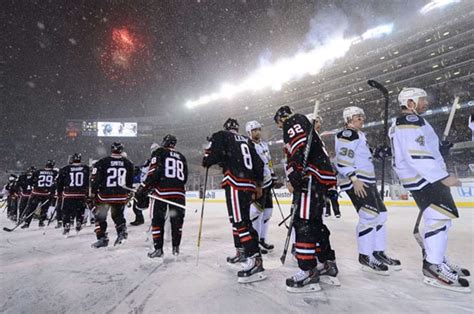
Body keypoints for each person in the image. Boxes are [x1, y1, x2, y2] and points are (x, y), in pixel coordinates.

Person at [390, 88, 470, 292]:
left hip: (423, 175)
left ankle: (438, 258)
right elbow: (415, 155)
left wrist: (438, 149)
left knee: (440, 219)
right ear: (410, 103)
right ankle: (433, 266)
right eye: (421, 100)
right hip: (423, 177)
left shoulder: (409, 121)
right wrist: (442, 176)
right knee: (438, 219)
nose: (426, 103)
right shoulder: (409, 121)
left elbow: (423, 148)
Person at [274, 106, 339, 292]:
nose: (281, 128)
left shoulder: (292, 122)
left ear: (281, 120)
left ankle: (308, 270)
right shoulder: (306, 125)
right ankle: (327, 262)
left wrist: (294, 172)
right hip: (321, 177)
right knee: (316, 223)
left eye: (279, 125)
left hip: (310, 177)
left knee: (303, 222)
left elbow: (300, 146)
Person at [335, 106, 401, 275]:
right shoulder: (347, 134)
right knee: (369, 216)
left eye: (362, 117)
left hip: (367, 181)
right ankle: (365, 256)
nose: (362, 120)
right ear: (348, 119)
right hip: (357, 181)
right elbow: (342, 159)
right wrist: (353, 178)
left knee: (381, 216)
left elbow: (362, 155)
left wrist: (378, 152)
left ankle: (378, 252)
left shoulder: (359, 135)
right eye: (358, 117)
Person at [202, 118, 266, 283]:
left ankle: (254, 259)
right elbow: (259, 163)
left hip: (235, 182)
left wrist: (207, 160)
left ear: (226, 128)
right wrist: (258, 184)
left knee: (240, 223)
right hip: (248, 184)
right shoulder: (246, 140)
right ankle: (242, 251)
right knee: (240, 221)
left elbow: (213, 155)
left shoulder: (222, 135)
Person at [136, 135, 188, 258]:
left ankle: (158, 249)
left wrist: (144, 187)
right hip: (179, 193)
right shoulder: (182, 156)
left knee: (157, 221)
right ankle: (176, 248)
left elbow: (154, 172)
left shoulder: (159, 152)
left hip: (162, 192)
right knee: (177, 222)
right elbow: (185, 177)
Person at [90, 142, 134, 248]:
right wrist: (128, 193)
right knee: (118, 216)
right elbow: (129, 182)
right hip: (120, 195)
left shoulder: (102, 162)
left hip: (105, 195)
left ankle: (102, 238)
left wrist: (93, 192)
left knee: (100, 217)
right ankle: (121, 232)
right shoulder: (128, 163)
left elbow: (95, 180)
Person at [245, 120, 276, 254]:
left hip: (268, 182)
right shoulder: (248, 146)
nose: (257, 132)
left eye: (259, 129)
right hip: (258, 184)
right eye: (254, 130)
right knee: (256, 213)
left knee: (267, 213)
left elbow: (268, 161)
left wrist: (273, 174)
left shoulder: (264, 144)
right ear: (249, 132)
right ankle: (255, 242)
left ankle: (262, 239)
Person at [56, 153, 90, 237]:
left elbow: (59, 182)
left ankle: (67, 224)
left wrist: (59, 192)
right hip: (81, 194)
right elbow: (89, 181)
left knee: (66, 211)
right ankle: (79, 221)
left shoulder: (65, 169)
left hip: (69, 194)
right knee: (80, 210)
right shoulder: (86, 168)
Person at [21, 160, 58, 228]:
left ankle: (27, 222)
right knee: (44, 208)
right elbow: (57, 182)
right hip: (46, 194)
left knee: (31, 208)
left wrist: (33, 185)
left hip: (36, 193)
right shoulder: (55, 172)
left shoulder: (38, 171)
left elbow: (30, 180)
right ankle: (41, 221)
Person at [130, 143, 158, 226]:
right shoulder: (149, 161)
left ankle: (146, 219)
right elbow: (144, 171)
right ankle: (139, 218)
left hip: (149, 185)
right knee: (137, 203)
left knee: (155, 205)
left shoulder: (157, 160)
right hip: (144, 184)